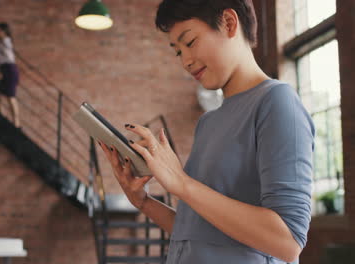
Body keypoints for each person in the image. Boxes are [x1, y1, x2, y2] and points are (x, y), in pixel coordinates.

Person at [98, 0, 314, 263]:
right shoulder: (208, 122)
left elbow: (288, 241)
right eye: (177, 51)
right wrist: (142, 201)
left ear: (229, 23)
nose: (186, 61)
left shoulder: (277, 102)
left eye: (189, 42)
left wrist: (182, 183)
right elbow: (200, 233)